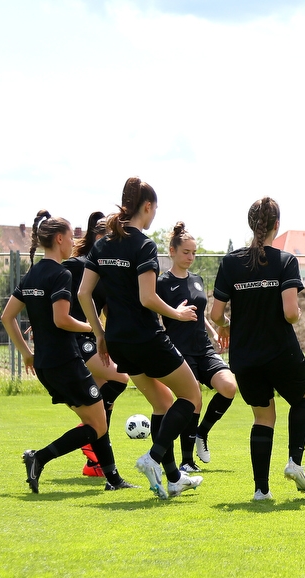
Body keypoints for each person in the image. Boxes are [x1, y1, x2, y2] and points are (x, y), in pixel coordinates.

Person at [78, 177, 203, 500]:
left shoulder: (103, 244)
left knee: (162, 402)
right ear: (147, 207)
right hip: (147, 337)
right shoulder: (144, 244)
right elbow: (148, 298)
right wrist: (177, 314)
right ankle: (153, 457)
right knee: (191, 397)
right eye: (154, 209)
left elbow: (83, 293)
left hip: (118, 341)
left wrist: (100, 333)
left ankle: (173, 478)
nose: (154, 216)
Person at [3, 210, 135, 493]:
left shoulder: (32, 274)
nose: (74, 241)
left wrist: (27, 353)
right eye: (70, 236)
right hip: (66, 361)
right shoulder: (60, 273)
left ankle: (113, 480)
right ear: (60, 239)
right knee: (97, 425)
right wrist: (92, 326)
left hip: (45, 365)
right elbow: (61, 319)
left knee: (95, 420)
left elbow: (7, 316)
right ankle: (40, 457)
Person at [210, 197, 305, 501]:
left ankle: (261, 490)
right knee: (303, 396)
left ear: (250, 224)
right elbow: (291, 313)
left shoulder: (230, 262)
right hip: (280, 350)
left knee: (263, 417)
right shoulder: (285, 260)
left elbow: (216, 315)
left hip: (244, 356)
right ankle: (294, 462)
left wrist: (227, 325)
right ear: (277, 226)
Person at [156, 222, 237, 473]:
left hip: (203, 347)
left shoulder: (198, 279)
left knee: (229, 387)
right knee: (194, 400)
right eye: (185, 252)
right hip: (179, 350)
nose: (190, 257)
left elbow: (199, 312)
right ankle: (187, 461)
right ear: (172, 251)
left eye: (194, 252)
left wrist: (213, 332)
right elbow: (157, 315)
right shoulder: (161, 282)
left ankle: (202, 433)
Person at [63, 211, 130, 479]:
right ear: (97, 237)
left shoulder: (106, 273)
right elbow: (49, 290)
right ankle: (90, 434)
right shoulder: (76, 265)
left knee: (106, 390)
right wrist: (41, 318)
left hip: (91, 337)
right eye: (107, 237)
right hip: (73, 338)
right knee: (119, 378)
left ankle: (94, 464)